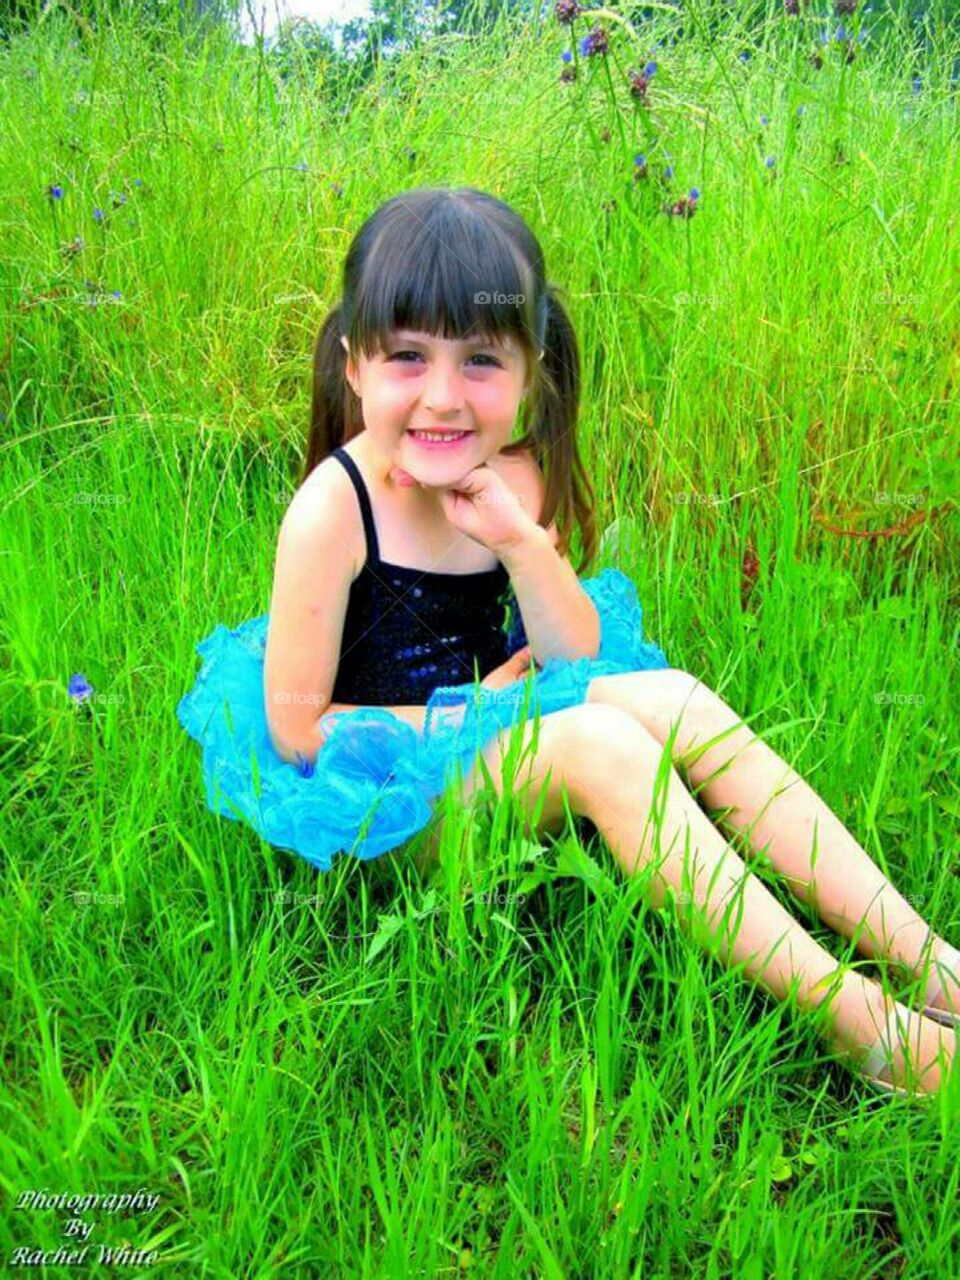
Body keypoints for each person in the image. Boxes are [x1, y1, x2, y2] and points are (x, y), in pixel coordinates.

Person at [177, 185, 959, 1100]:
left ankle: (930, 962)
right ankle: (862, 1029)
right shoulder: (334, 510)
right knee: (600, 743)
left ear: (529, 366)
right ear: (354, 366)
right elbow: (301, 733)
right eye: (406, 359)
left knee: (668, 694)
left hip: (498, 752)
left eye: (479, 361)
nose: (442, 398)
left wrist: (518, 542)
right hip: (382, 812)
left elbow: (578, 655)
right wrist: (484, 707)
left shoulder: (509, 473)